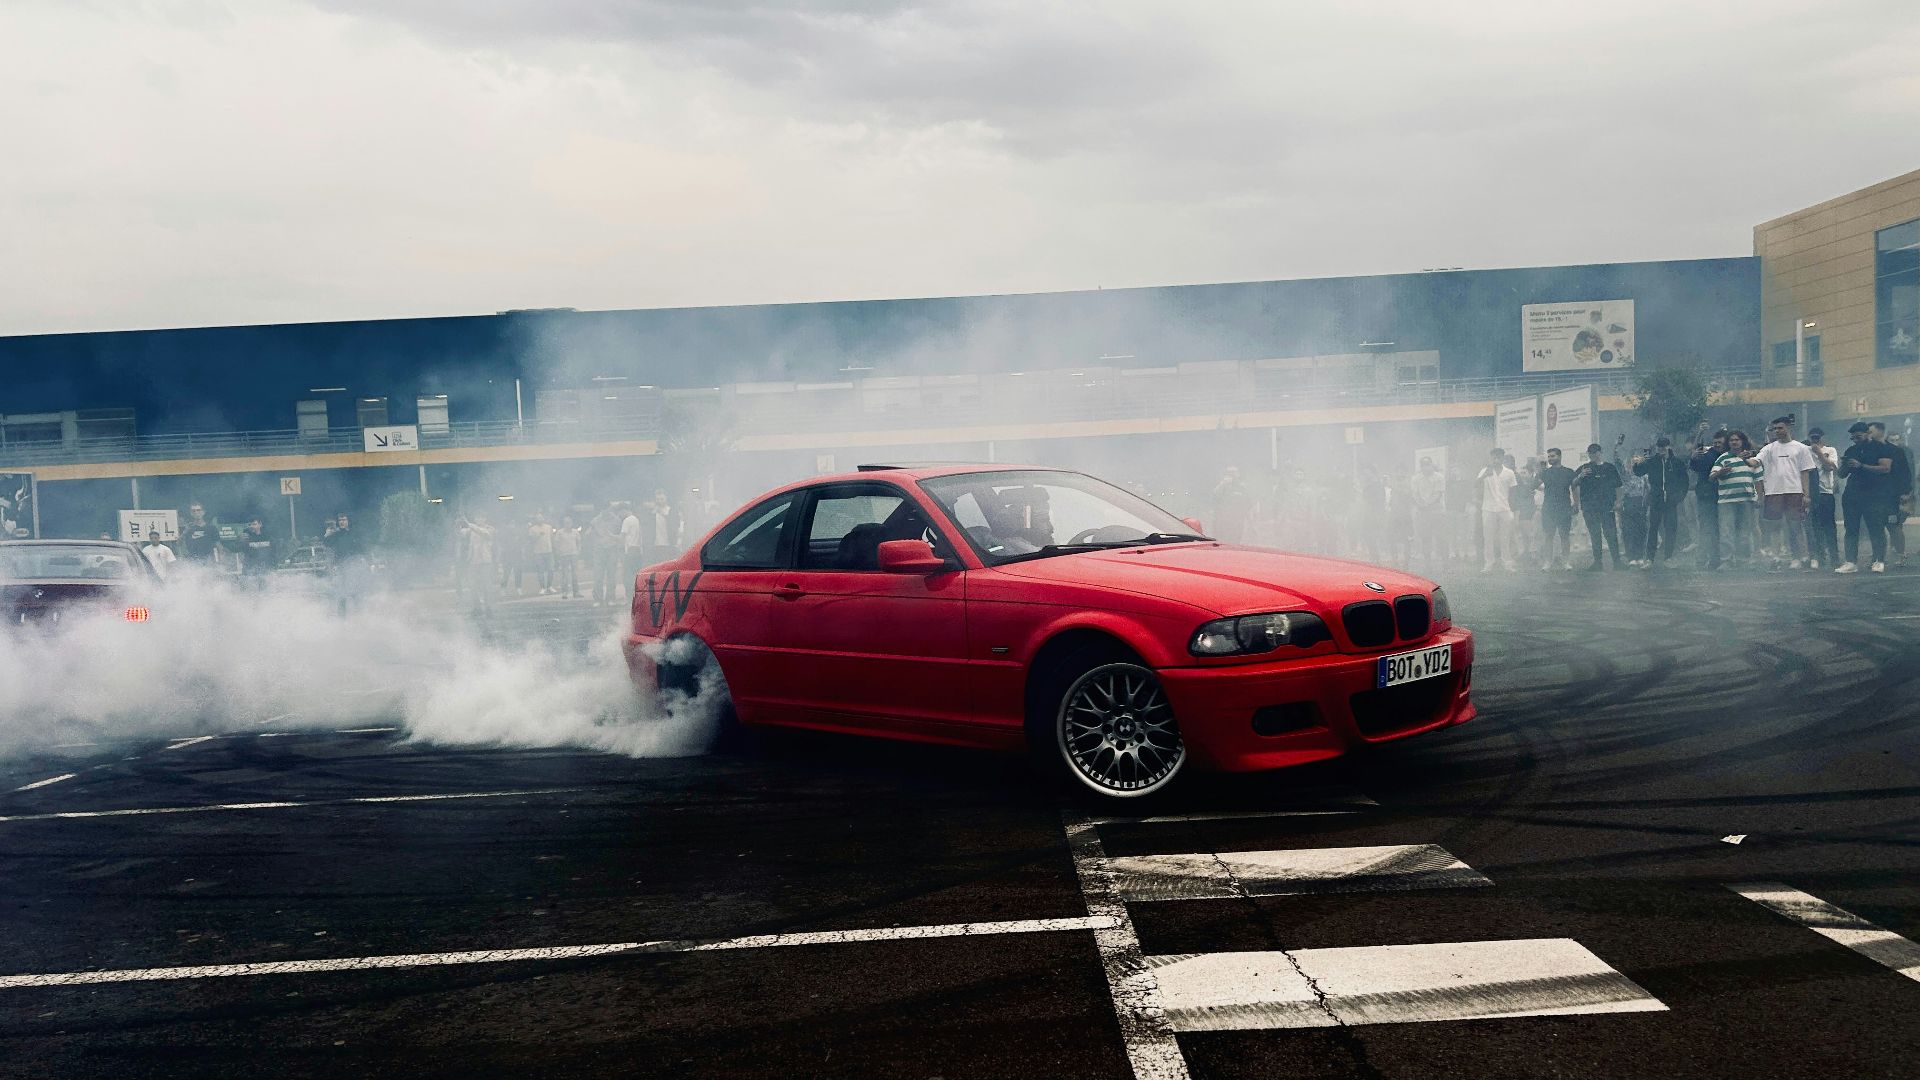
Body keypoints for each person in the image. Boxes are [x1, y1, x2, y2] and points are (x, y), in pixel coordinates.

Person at [1755, 415, 1817, 570]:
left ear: (1788, 427)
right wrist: (1745, 460)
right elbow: (1756, 461)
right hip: (1774, 493)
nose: (1777, 431)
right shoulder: (1768, 448)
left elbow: (1805, 473)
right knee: (1775, 527)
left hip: (1794, 492)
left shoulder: (1800, 448)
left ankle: (1800, 557)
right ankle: (1776, 558)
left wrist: (1806, 494)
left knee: (1795, 526)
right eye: (1775, 429)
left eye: (1780, 428)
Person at [1836, 421, 1893, 573]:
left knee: (1876, 527)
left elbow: (1885, 468)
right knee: (1851, 528)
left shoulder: (1881, 448)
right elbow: (1841, 475)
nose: (1855, 440)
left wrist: (1861, 466)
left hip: (1873, 494)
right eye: (1853, 438)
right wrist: (1843, 464)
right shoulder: (1851, 450)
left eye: (1858, 436)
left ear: (1868, 433)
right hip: (1853, 494)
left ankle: (1879, 560)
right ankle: (1850, 562)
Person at [1631, 436, 1689, 569]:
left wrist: (1679, 497)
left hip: (1671, 501)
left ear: (1669, 447)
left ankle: (1668, 558)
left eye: (1664, 447)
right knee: (1653, 529)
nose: (1661, 449)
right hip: (1656, 500)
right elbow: (1639, 472)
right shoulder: (1652, 461)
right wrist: (1637, 463)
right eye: (1659, 447)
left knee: (1671, 529)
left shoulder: (1677, 462)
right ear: (1656, 448)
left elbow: (1684, 481)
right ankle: (1649, 559)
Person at [1711, 430, 1762, 569]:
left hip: (1747, 500)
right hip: (1726, 501)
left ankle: (1743, 560)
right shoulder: (1722, 458)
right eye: (1731, 440)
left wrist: (1760, 498)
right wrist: (1721, 472)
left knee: (1744, 531)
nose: (1734, 442)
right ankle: (1726, 560)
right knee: (1726, 531)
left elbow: (1758, 480)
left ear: (1742, 441)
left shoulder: (1752, 459)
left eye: (1737, 440)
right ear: (1728, 443)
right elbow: (1711, 477)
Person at [1572, 443, 1625, 570]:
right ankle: (1597, 562)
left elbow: (1618, 486)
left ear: (1600, 453)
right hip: (1590, 507)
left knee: (1611, 534)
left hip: (1607, 506)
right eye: (1590, 453)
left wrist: (1618, 501)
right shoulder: (1584, 468)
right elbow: (1573, 484)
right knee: (1595, 534)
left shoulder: (1610, 468)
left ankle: (1617, 562)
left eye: (1594, 452)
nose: (1592, 455)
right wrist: (1580, 476)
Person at [1869, 422, 1912, 566]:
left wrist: (1905, 492)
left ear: (1880, 432)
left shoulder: (1895, 451)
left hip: (1891, 495)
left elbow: (1905, 473)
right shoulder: (1869, 449)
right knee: (1876, 527)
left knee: (1893, 525)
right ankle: (1878, 557)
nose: (1869, 434)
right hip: (1874, 494)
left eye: (1871, 431)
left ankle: (1901, 554)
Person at [1690, 430, 1727, 570]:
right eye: (1715, 442)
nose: (1717, 445)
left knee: (1723, 529)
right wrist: (1693, 457)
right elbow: (1694, 465)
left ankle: (1724, 558)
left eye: (1720, 443)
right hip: (1707, 497)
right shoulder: (1708, 454)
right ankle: (1706, 559)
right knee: (1707, 528)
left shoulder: (1730, 455)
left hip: (1725, 496)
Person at [1476, 448, 1518, 572]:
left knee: (1505, 537)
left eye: (1498, 457)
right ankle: (1489, 563)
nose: (1496, 459)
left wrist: (1513, 509)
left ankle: (1507, 563)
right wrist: (1484, 475)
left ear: (1502, 457)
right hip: (1488, 508)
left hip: (1504, 508)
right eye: (1494, 457)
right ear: (1491, 458)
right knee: (1488, 537)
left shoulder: (1509, 472)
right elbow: (1475, 484)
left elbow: (1514, 491)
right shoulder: (1485, 471)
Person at [1537, 448, 1577, 571]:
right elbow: (1533, 486)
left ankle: (1566, 561)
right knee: (1548, 536)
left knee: (1564, 536)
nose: (1550, 459)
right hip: (1549, 508)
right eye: (1549, 457)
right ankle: (1547, 562)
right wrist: (1539, 471)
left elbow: (1575, 488)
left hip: (1564, 507)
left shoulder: (1569, 472)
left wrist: (1576, 503)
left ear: (1559, 456)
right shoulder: (1545, 472)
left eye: (1552, 456)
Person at [1806, 428, 1840, 569]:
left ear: (1822, 437)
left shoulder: (1830, 450)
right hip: (1812, 493)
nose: (1815, 440)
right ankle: (1820, 556)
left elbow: (1831, 467)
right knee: (1815, 527)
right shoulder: (1805, 451)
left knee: (1829, 527)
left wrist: (1819, 452)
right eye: (1812, 437)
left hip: (1826, 492)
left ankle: (1834, 557)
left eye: (1817, 437)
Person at [1410, 457, 1447, 565]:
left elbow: (1438, 494)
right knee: (1426, 538)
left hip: (1437, 512)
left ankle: (1445, 564)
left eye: (1428, 464)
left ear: (1432, 465)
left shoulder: (1439, 477)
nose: (1426, 467)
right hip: (1423, 512)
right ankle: (1428, 564)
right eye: (1423, 465)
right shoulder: (1415, 478)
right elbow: (1415, 494)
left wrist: (1427, 504)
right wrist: (1421, 504)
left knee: (1441, 538)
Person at [458, 513, 498, 614]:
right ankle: (477, 608)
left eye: (481, 517)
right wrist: (459, 525)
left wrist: (469, 524)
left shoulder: (490, 529)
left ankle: (488, 607)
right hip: (473, 561)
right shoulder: (471, 529)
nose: (479, 520)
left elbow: (484, 533)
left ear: (485, 519)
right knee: (472, 586)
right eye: (477, 518)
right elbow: (462, 533)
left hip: (485, 561)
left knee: (486, 586)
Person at [1211, 466, 1252, 543]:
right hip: (1222, 521)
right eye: (1229, 473)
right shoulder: (1221, 487)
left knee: (1235, 541)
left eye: (1234, 473)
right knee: (1221, 541)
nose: (1232, 475)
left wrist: (1244, 516)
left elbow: (1248, 504)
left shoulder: (1242, 488)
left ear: (1238, 474)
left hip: (1237, 522)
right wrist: (1223, 485)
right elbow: (1214, 499)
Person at [552, 514, 582, 599]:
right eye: (566, 523)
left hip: (574, 555)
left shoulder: (575, 532)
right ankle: (564, 592)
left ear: (572, 523)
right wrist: (559, 552)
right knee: (564, 574)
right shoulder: (560, 533)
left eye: (569, 522)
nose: (567, 524)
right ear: (563, 523)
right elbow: (556, 543)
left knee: (575, 574)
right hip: (564, 555)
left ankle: (576, 592)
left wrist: (578, 551)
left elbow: (579, 542)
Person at [528, 513, 556, 594]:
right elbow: (531, 541)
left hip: (549, 551)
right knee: (541, 571)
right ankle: (543, 587)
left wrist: (554, 548)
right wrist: (538, 536)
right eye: (538, 518)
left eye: (541, 517)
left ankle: (549, 586)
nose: (540, 519)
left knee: (551, 569)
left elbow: (552, 538)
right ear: (535, 520)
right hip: (538, 552)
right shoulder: (532, 529)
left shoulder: (549, 527)